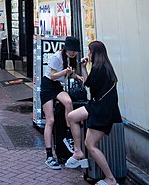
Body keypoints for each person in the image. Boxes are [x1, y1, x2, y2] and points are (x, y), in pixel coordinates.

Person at [65, 40, 122, 185]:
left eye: (90, 51)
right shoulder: (103, 67)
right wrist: (84, 67)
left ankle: (110, 179)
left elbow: (88, 84)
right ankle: (78, 151)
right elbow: (90, 83)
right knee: (71, 117)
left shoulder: (100, 68)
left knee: (90, 144)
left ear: (95, 53)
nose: (88, 54)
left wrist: (84, 67)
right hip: (97, 105)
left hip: (102, 110)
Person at [40, 35, 81, 169]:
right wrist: (65, 71)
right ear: (66, 49)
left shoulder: (72, 59)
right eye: (71, 51)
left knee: (68, 102)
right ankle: (49, 156)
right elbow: (52, 75)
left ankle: (68, 134)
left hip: (57, 87)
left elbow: (70, 74)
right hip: (47, 86)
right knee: (50, 120)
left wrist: (78, 77)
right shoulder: (57, 57)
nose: (73, 53)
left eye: (75, 51)